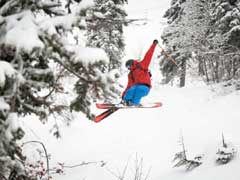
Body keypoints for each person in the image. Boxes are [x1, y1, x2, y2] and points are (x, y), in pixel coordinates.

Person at [121, 39, 158, 106]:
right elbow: (128, 86)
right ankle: (128, 101)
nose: (128, 69)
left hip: (145, 87)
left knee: (137, 90)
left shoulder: (141, 65)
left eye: (128, 67)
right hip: (136, 87)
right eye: (127, 68)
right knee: (131, 90)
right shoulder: (130, 74)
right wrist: (123, 95)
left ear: (131, 64)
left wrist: (153, 45)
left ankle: (132, 103)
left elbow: (148, 55)